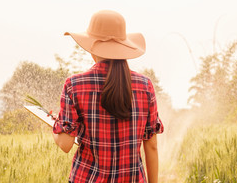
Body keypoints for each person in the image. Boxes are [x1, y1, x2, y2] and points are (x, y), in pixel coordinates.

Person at [52, 10, 164, 183]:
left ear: (91, 47)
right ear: (124, 46)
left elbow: (65, 144)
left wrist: (56, 125)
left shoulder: (74, 85)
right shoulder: (145, 86)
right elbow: (152, 146)